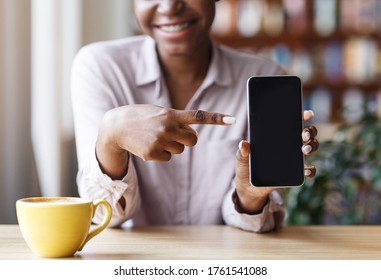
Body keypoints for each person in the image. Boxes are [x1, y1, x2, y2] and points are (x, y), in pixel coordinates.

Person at [71, 0, 319, 232]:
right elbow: (106, 217)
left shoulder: (264, 76)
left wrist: (250, 194)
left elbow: (257, 226)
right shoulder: (101, 67)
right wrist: (111, 137)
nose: (169, 7)